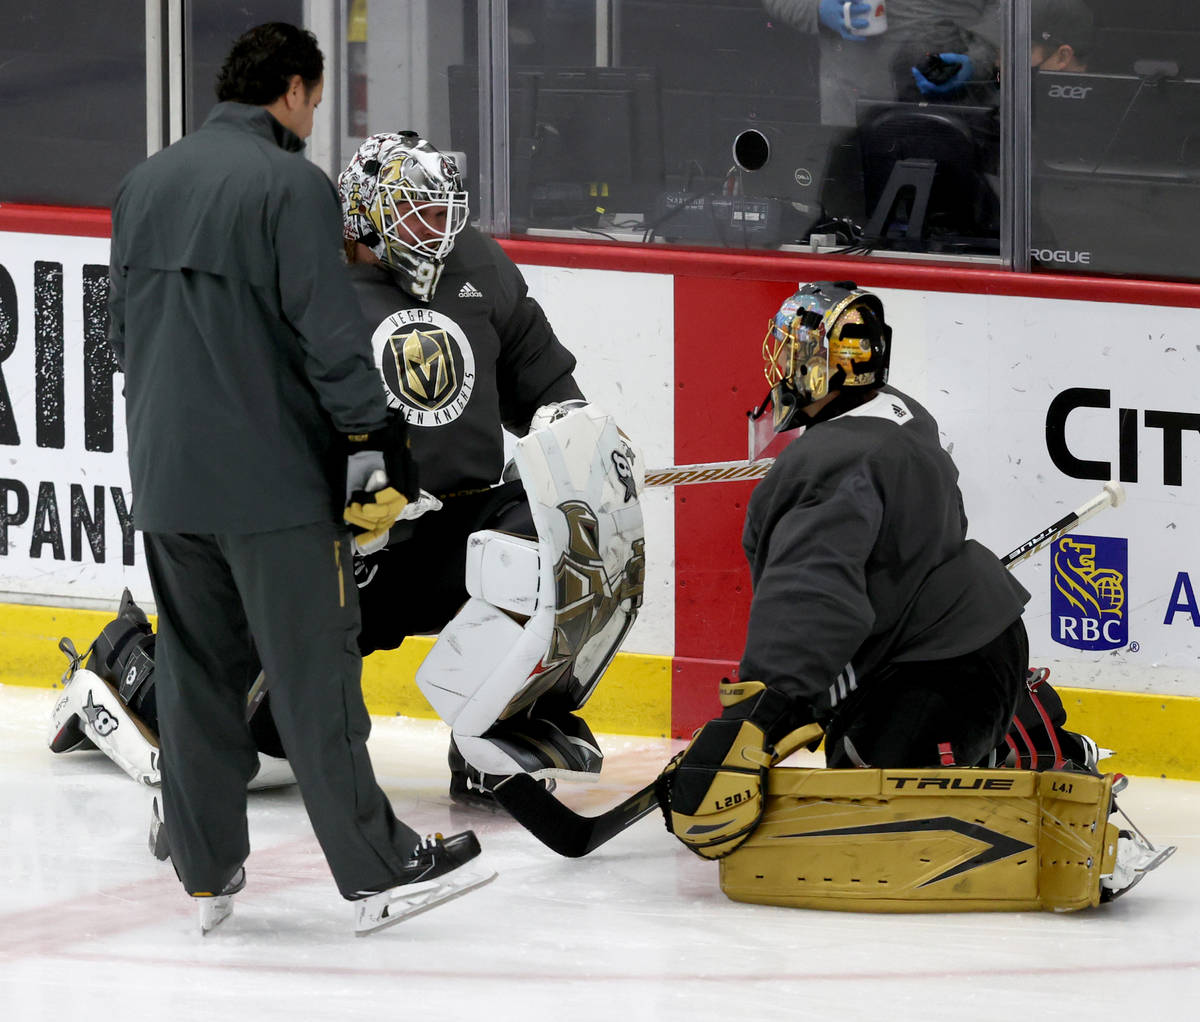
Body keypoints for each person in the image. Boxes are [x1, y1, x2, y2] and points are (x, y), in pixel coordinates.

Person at [107, 22, 492, 936]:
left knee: (197, 675)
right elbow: (328, 332)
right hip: (271, 488)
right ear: (289, 88)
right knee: (315, 673)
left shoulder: (142, 183)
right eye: (315, 100)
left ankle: (206, 870)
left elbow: (120, 334)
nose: (314, 118)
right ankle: (378, 866)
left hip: (168, 482)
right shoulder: (290, 186)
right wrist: (372, 438)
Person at [657, 281, 1104, 860]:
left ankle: (1007, 751)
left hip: (935, 677)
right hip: (978, 644)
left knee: (867, 808)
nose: (780, 367)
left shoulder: (828, 462)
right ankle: (1030, 728)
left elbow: (811, 595)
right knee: (860, 752)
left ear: (821, 370)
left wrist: (759, 712)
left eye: (793, 354)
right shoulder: (897, 415)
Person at [337, 131, 646, 808]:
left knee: (562, 530)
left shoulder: (476, 263)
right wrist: (348, 510)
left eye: (442, 209)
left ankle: (494, 728)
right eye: (412, 212)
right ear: (361, 215)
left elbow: (547, 385)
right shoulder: (306, 281)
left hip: (453, 535)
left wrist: (579, 443)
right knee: (255, 740)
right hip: (335, 553)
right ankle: (134, 674)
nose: (436, 229)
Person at [762, 1, 1000, 126]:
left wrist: (979, 56)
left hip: (966, 109)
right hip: (852, 113)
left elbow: (1025, 10)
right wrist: (817, 8)